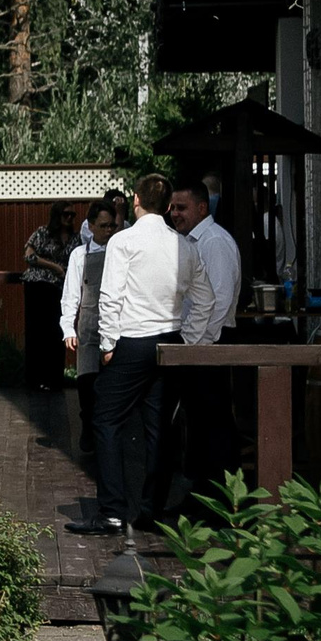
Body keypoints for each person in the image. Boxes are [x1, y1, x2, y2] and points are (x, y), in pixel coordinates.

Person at [70, 174, 211, 538]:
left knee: (104, 419)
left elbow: (111, 296)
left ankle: (113, 510)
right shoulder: (185, 246)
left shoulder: (124, 241)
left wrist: (107, 345)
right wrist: (189, 339)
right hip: (171, 339)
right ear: (167, 206)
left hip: (132, 340)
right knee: (158, 427)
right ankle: (151, 510)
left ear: (135, 200)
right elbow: (206, 299)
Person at [168, 178, 244, 511]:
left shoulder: (214, 242)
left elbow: (220, 300)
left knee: (214, 425)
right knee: (200, 424)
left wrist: (198, 348)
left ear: (202, 207)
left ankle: (223, 501)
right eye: (171, 208)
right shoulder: (193, 242)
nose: (174, 214)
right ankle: (204, 498)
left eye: (181, 208)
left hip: (210, 343)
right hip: (201, 342)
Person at [59, 201, 121, 460]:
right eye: (104, 225)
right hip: (88, 322)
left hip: (116, 324)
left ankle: (106, 432)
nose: (109, 230)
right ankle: (88, 426)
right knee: (86, 381)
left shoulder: (121, 252)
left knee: (111, 383)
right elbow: (71, 293)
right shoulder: (80, 255)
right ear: (91, 225)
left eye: (112, 226)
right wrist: (68, 327)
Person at [22, 203, 81, 391]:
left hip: (60, 288)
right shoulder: (43, 233)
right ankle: (34, 378)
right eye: (66, 214)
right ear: (57, 215)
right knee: (37, 332)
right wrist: (54, 267)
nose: (70, 218)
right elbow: (29, 255)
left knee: (56, 332)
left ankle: (54, 378)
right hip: (39, 285)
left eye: (73, 215)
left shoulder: (75, 238)